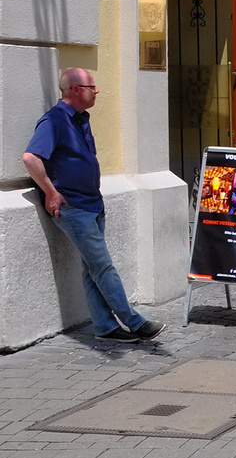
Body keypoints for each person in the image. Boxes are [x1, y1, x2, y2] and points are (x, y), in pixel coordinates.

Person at [23, 69, 165, 343]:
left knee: (92, 268)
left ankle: (104, 327)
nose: (97, 91)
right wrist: (51, 193)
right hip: (73, 207)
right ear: (75, 89)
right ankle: (136, 323)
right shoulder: (55, 120)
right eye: (92, 86)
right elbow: (31, 158)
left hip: (92, 204)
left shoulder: (81, 119)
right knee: (102, 266)